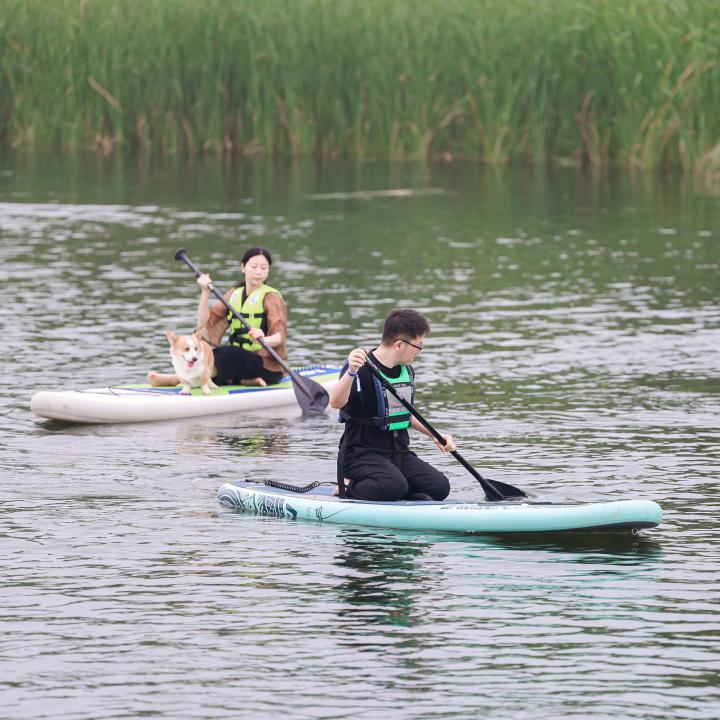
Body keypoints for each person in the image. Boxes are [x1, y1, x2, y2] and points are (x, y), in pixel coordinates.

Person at [329, 309, 454, 502]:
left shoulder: (406, 370)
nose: (419, 352)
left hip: (398, 451)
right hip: (361, 454)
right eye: (418, 346)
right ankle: (348, 486)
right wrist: (351, 372)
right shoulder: (360, 366)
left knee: (439, 487)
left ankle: (400, 490)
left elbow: (405, 414)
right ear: (399, 345)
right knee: (393, 486)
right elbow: (336, 402)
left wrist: (436, 435)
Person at [148, 247, 287, 388]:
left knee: (227, 354)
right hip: (239, 363)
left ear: (268, 271)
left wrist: (263, 338)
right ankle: (243, 380)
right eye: (254, 266)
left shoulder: (271, 297)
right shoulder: (233, 294)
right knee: (209, 353)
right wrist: (205, 293)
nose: (258, 272)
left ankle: (176, 379)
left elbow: (279, 337)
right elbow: (204, 323)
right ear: (243, 267)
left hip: (267, 366)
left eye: (264, 268)